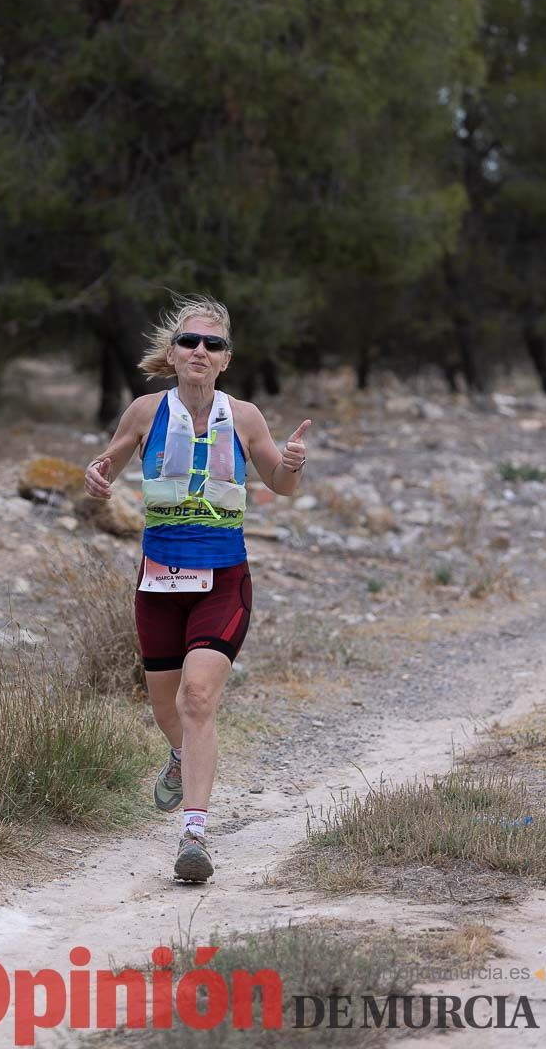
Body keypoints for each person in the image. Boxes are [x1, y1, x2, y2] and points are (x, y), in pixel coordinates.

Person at [84, 296, 310, 882]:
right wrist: (95, 478)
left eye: (211, 345)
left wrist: (292, 463)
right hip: (159, 579)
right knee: (167, 707)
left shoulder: (245, 417)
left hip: (224, 579)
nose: (199, 352)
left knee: (198, 699)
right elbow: (102, 468)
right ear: (174, 353)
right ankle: (182, 756)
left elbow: (280, 486)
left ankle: (194, 836)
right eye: (189, 342)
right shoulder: (144, 411)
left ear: (225, 359)